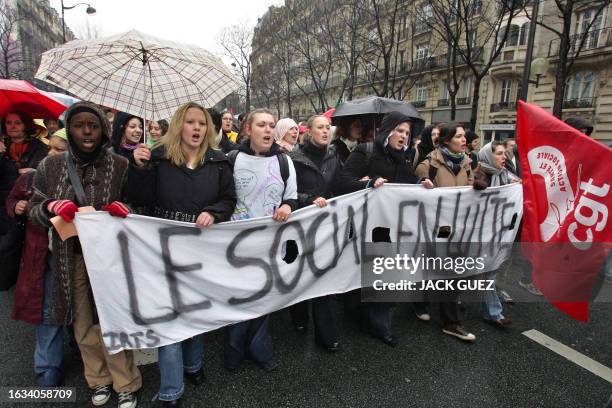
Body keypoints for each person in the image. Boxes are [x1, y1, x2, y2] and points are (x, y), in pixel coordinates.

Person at [28, 102, 141, 408]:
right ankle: (98, 380)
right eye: (80, 125)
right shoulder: (50, 167)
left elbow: (137, 205)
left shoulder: (120, 165)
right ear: (70, 129)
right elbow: (33, 209)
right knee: (82, 321)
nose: (87, 131)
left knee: (114, 319)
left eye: (93, 125)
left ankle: (126, 382)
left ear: (103, 130)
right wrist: (52, 207)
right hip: (70, 258)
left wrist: (126, 210)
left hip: (111, 260)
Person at [131, 102, 236, 407]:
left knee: (196, 310)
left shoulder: (219, 161)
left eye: (202, 123)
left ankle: (194, 364)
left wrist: (214, 212)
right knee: (169, 317)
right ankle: (171, 389)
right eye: (190, 122)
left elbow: (229, 199)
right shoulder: (159, 159)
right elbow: (139, 200)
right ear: (179, 125)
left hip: (202, 247)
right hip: (162, 247)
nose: (196, 128)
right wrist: (139, 167)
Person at [338, 111, 427, 347]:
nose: (404, 136)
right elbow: (342, 182)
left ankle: (380, 324)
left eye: (407, 133)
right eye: (399, 130)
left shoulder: (405, 159)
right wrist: (368, 184)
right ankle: (363, 316)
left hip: (393, 229)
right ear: (387, 131)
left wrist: (421, 185)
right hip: (366, 227)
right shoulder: (365, 152)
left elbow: (406, 188)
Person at [225, 108, 298, 370]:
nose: (267, 130)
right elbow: (223, 197)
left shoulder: (284, 162)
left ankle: (259, 350)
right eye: (262, 125)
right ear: (248, 130)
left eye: (271, 125)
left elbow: (292, 196)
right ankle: (234, 351)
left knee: (264, 298)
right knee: (240, 298)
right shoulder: (231, 159)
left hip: (270, 243)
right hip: (238, 244)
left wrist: (288, 206)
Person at [8, 129, 68, 386]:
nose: (51, 153)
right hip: (42, 256)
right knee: (47, 311)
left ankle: (89, 359)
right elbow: (12, 199)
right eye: (50, 148)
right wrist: (17, 207)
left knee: (81, 313)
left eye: (59, 149)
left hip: (73, 256)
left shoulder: (85, 180)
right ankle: (47, 367)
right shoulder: (32, 177)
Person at [415, 122, 477, 342]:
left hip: (459, 229)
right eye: (459, 136)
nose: (464, 140)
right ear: (446, 140)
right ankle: (425, 305)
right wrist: (422, 184)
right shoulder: (428, 164)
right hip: (435, 230)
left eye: (464, 137)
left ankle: (450, 320)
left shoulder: (467, 163)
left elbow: (471, 186)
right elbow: (414, 195)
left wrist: (479, 184)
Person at [287, 115, 340, 351]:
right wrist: (307, 200)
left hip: (326, 227)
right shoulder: (292, 158)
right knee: (300, 276)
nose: (326, 131)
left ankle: (326, 335)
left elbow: (341, 185)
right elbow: (286, 193)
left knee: (323, 277)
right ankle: (298, 317)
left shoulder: (333, 156)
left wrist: (365, 185)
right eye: (320, 127)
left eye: (328, 127)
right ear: (308, 131)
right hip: (301, 227)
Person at [474, 141, 520, 327]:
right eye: (499, 153)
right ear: (488, 156)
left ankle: (493, 312)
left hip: (497, 235)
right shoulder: (476, 175)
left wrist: (518, 187)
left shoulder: (507, 176)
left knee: (489, 273)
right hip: (475, 235)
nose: (504, 157)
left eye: (505, 154)